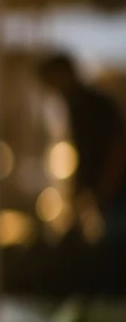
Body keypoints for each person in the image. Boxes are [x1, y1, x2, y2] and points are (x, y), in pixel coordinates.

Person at [36, 52, 126, 232]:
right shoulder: (77, 105)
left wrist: (104, 189)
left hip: (114, 192)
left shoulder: (92, 105)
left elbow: (117, 149)